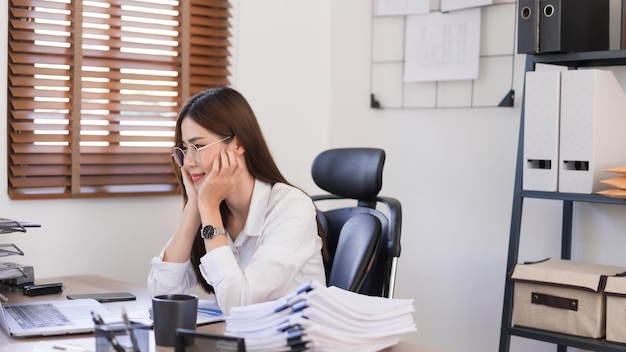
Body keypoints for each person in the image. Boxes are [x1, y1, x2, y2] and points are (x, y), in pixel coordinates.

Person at [147, 86, 326, 314]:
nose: (188, 162)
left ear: (238, 144)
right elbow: (161, 293)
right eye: (184, 149)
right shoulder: (213, 207)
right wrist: (194, 207)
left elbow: (240, 305)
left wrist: (209, 208)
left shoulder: (291, 206)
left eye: (198, 146)